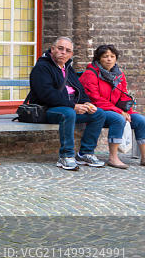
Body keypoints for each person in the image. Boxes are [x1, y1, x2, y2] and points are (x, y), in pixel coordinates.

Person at [28, 36, 106, 171]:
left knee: (98, 114)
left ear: (71, 54)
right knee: (68, 113)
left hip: (70, 109)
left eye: (67, 50)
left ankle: (85, 153)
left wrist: (87, 103)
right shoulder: (42, 68)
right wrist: (73, 106)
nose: (63, 52)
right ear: (52, 49)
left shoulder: (68, 69)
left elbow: (80, 90)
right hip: (47, 110)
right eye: (60, 48)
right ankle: (66, 156)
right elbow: (46, 95)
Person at [79, 44, 145, 169]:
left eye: (112, 56)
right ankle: (113, 158)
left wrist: (128, 111)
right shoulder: (91, 74)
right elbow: (95, 99)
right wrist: (119, 112)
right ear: (98, 59)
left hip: (115, 110)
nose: (109, 59)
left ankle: (144, 157)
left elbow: (123, 95)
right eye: (105, 56)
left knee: (141, 120)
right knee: (118, 118)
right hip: (96, 110)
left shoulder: (119, 74)